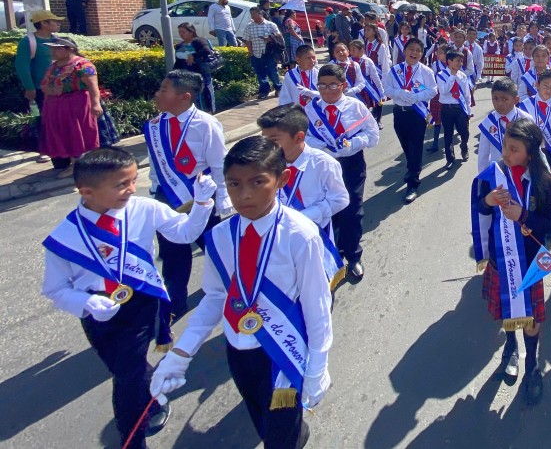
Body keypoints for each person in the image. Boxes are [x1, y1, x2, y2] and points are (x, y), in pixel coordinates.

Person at [150, 137, 333, 447]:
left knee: (279, 437)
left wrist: (318, 364)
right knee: (261, 419)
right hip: (238, 348)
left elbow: (317, 303)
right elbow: (215, 296)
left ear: (281, 180)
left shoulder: (300, 235)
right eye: (234, 184)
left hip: (283, 351)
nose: (244, 194)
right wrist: (181, 353)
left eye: (258, 182)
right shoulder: (221, 235)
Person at [41, 147, 215, 448]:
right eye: (121, 184)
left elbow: (184, 234)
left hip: (142, 302)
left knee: (127, 375)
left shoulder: (144, 208)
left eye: (134, 180)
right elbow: (55, 289)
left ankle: (131, 439)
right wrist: (85, 303)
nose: (131, 189)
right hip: (98, 311)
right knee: (124, 368)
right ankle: (151, 399)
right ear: (87, 191)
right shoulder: (65, 235)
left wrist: (201, 203)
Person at [473, 118, 551, 404]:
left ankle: (532, 364)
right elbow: (478, 208)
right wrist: (487, 201)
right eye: (505, 147)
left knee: (532, 319)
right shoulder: (492, 176)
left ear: (530, 154)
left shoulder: (542, 182)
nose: (506, 154)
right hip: (501, 260)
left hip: (531, 262)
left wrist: (524, 216)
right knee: (510, 314)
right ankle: (510, 347)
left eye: (514, 149)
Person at [144, 70, 231, 335]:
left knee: (215, 250)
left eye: (164, 90)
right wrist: (155, 187)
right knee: (172, 253)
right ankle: (176, 302)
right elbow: (156, 164)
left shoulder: (204, 124)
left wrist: (223, 197)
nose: (158, 94)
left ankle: (237, 290)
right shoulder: (155, 125)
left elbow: (219, 163)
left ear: (184, 96)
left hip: (200, 199)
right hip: (168, 199)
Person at [258, 104, 350, 288]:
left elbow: (340, 199)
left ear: (299, 136)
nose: (267, 146)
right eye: (264, 139)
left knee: (317, 287)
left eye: (273, 140)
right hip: (278, 239)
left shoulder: (323, 163)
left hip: (314, 236)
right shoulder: (267, 164)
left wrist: (307, 216)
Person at [303, 64, 380, 281]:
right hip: (323, 167)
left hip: (351, 164)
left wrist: (354, 144)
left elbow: (373, 135)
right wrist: (321, 146)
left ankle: (354, 256)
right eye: (322, 86)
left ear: (343, 85)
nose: (327, 90)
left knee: (352, 209)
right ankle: (333, 253)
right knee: (329, 211)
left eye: (333, 85)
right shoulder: (310, 110)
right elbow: (304, 138)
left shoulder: (356, 107)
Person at [384, 38, 438, 203]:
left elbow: (433, 90)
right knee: (406, 146)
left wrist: (417, 96)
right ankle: (412, 167)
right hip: (399, 113)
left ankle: (413, 183)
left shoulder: (425, 71)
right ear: (405, 51)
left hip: (417, 115)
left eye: (418, 50)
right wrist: (399, 93)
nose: (414, 53)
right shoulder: (395, 71)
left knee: (415, 148)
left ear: (422, 54)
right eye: (411, 49)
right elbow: (387, 89)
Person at [39, 37, 102, 178]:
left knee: (77, 134)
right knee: (63, 134)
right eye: (52, 48)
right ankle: (73, 163)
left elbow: (93, 86)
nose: (53, 51)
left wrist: (96, 104)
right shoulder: (54, 66)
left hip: (76, 105)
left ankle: (78, 164)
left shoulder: (84, 66)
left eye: (57, 48)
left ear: (70, 49)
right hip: (56, 105)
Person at [15, 10, 63, 164]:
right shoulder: (28, 42)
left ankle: (61, 148)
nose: (58, 24)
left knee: (59, 120)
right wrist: (30, 87)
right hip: (40, 90)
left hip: (59, 89)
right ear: (43, 23)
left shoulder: (57, 40)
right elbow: (22, 66)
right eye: (54, 21)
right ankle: (44, 150)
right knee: (43, 119)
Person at [478, 77, 529, 172]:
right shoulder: (488, 122)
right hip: (498, 175)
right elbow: (483, 156)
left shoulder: (526, 120)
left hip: (522, 174)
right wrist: (483, 180)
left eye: (505, 99)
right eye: (495, 99)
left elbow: (534, 151)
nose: (499, 103)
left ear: (516, 100)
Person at [518, 69, 551, 172]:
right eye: (545, 85)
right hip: (526, 151)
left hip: (547, 151)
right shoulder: (525, 104)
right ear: (537, 84)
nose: (548, 90)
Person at [437, 50, 473, 167]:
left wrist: (469, 110)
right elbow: (444, 90)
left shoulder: (462, 75)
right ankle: (450, 158)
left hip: (460, 108)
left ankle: (464, 146)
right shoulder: (441, 75)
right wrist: (452, 76)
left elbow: (467, 95)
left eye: (461, 61)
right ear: (449, 61)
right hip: (447, 108)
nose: (460, 63)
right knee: (448, 134)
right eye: (457, 61)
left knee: (465, 132)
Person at [173, 22, 218, 113]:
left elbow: (207, 51)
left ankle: (208, 114)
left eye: (183, 32)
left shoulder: (199, 41)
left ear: (191, 32)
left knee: (204, 96)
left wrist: (194, 56)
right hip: (186, 76)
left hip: (200, 74)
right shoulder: (179, 45)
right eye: (179, 32)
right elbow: (178, 62)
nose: (181, 34)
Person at [245, 6, 282, 98]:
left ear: (260, 14)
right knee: (260, 73)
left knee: (272, 71)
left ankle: (278, 88)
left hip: (269, 53)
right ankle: (264, 91)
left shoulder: (270, 25)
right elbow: (247, 40)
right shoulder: (249, 27)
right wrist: (250, 52)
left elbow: (279, 36)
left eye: (254, 14)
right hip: (256, 53)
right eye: (251, 14)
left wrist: (269, 38)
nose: (252, 16)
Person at [348, 39, 386, 128]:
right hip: (356, 88)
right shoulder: (349, 61)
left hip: (368, 88)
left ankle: (378, 120)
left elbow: (375, 76)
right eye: (350, 50)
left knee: (377, 102)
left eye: (354, 49)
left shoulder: (367, 61)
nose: (351, 52)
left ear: (361, 50)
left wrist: (381, 90)